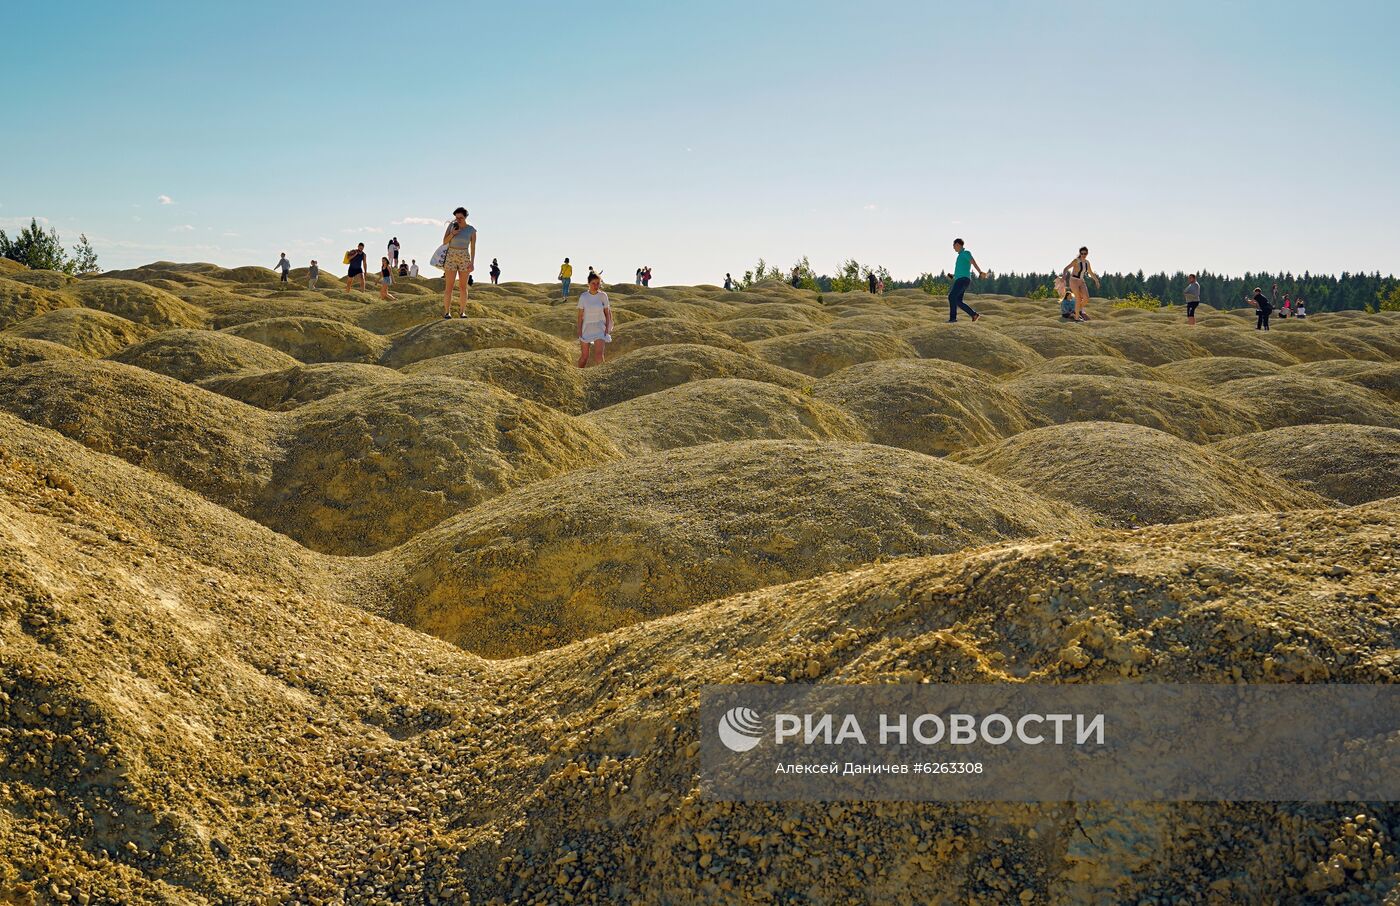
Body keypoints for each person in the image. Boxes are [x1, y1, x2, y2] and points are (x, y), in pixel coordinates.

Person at [441, 207, 476, 319]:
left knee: (462, 287)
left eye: (460, 217)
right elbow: (444, 241)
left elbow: (473, 248)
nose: (458, 220)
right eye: (456, 217)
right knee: (449, 287)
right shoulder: (451, 226)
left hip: (464, 257)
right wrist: (452, 234)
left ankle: (462, 312)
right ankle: (447, 312)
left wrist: (472, 262)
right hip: (451, 256)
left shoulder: (471, 230)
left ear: (465, 217)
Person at [575, 272, 613, 368]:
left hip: (600, 327)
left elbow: (607, 313)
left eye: (598, 283)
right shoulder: (583, 297)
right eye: (593, 283)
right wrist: (579, 330)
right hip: (586, 328)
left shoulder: (603, 296)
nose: (596, 286)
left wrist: (607, 327)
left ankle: (603, 377)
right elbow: (580, 316)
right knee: (584, 357)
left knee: (599, 356)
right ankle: (578, 374)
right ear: (588, 283)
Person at [944, 238, 985, 323]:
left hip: (963, 280)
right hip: (960, 279)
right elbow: (960, 270)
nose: (953, 247)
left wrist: (980, 272)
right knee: (958, 301)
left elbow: (973, 262)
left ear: (958, 245)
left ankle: (953, 318)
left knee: (951, 297)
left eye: (954, 245)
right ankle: (974, 315)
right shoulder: (960, 256)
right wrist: (953, 275)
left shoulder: (966, 253)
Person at [1062, 247, 1100, 321]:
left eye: (1085, 253)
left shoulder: (1087, 262)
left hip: (1081, 281)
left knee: (1086, 298)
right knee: (1078, 298)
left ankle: (1075, 310)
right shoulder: (1076, 261)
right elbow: (1066, 268)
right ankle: (1076, 318)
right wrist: (1063, 277)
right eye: (1082, 253)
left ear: (1087, 253)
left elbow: (1091, 272)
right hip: (1073, 280)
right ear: (1080, 253)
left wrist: (1096, 281)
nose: (1083, 255)